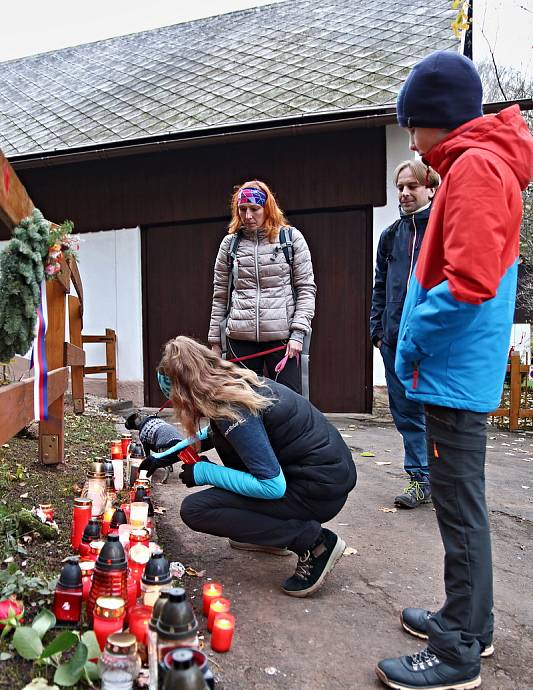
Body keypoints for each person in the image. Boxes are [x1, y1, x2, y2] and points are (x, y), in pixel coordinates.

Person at [376, 51, 533, 690]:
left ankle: (461, 648)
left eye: (413, 123)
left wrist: (410, 339)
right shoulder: (482, 165)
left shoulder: (473, 170)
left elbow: (466, 282)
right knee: (459, 501)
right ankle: (472, 620)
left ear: (437, 118)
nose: (410, 138)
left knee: (459, 508)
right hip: (459, 369)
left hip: (452, 370)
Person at [139, 336, 356, 598]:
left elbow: (271, 486)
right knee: (229, 500)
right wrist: (167, 456)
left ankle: (315, 542)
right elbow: (217, 432)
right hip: (322, 479)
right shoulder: (232, 387)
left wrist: (204, 472)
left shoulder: (233, 408)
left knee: (197, 509)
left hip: (317, 492)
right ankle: (273, 535)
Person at [370, 160, 440, 508]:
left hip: (434, 344)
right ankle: (420, 478)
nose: (405, 193)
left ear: (431, 188)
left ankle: (445, 479)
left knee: (438, 413)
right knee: (405, 412)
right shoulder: (390, 236)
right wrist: (377, 331)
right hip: (394, 341)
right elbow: (380, 286)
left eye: (412, 186)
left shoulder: (444, 230)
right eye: (400, 187)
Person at [208, 179, 316, 395]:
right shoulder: (230, 245)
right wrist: (215, 343)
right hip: (240, 340)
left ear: (267, 208)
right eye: (242, 209)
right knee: (243, 407)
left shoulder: (290, 239)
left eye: (254, 209)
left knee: (290, 405)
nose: (248, 216)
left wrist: (297, 335)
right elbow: (220, 295)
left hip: (282, 341)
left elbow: (306, 289)